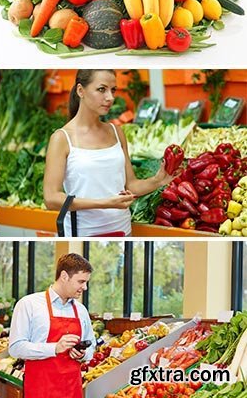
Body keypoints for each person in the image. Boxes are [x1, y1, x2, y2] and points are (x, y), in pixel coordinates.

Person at [43, 70, 172, 238]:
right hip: (83, 233)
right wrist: (105, 203)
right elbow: (51, 198)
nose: (110, 97)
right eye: (102, 89)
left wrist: (158, 180)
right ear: (81, 91)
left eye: (113, 90)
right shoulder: (61, 138)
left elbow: (131, 185)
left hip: (122, 230)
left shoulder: (116, 132)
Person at [9, 252, 95, 398]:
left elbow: (92, 345)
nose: (85, 287)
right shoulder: (29, 304)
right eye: (81, 281)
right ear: (64, 276)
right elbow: (15, 348)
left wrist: (83, 354)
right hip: (40, 390)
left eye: (86, 282)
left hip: (72, 390)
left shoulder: (81, 310)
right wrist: (54, 348)